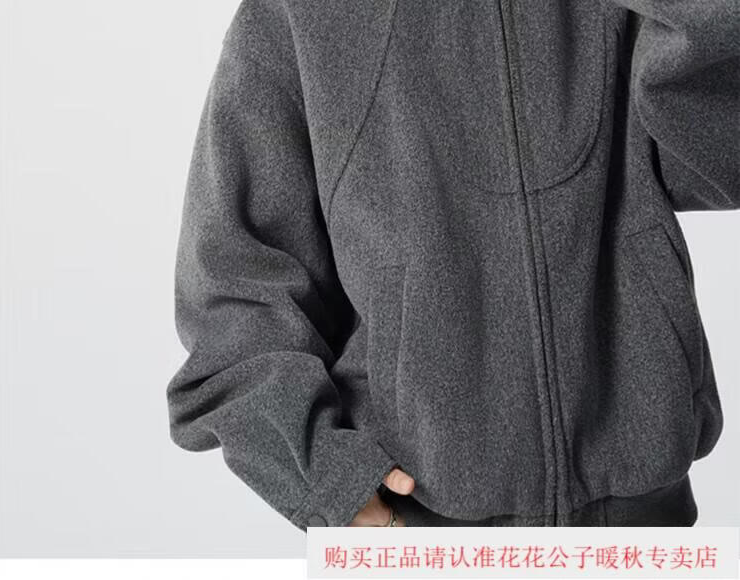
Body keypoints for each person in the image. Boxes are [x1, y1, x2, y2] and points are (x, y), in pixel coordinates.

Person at [166, 0, 739, 529]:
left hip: (643, 521)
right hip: (418, 526)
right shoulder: (306, 12)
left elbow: (719, 168)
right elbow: (233, 287)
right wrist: (330, 482)